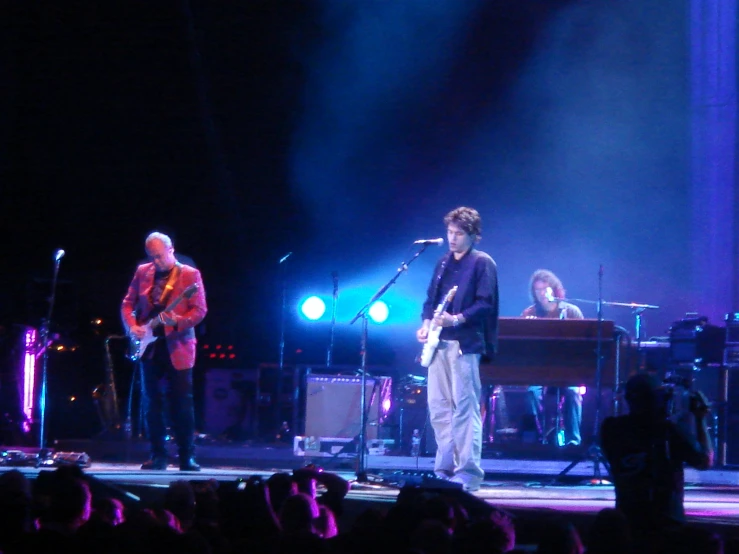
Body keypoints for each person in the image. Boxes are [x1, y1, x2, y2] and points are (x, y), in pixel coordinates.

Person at [416, 207, 499, 492]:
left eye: (459, 233)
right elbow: (430, 300)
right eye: (449, 232)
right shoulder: (442, 264)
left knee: (465, 408)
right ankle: (444, 468)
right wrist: (427, 324)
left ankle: (469, 472)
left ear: (473, 235)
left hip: (465, 344)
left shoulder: (482, 263)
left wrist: (457, 318)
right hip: (439, 342)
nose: (452, 238)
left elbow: (485, 303)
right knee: (438, 407)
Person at [121, 231, 207, 471]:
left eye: (159, 256)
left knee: (182, 402)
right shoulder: (143, 272)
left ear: (171, 250)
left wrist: (176, 321)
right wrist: (133, 327)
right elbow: (127, 303)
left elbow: (199, 311)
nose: (156, 261)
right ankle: (157, 455)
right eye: (151, 256)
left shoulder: (190, 275)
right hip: (150, 347)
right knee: (151, 401)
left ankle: (186, 456)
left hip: (178, 345)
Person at [601, 373, 713, 551]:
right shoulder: (669, 431)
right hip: (667, 522)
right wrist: (700, 419)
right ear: (659, 399)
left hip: (628, 519)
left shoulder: (611, 429)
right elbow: (705, 460)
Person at [521, 269, 584, 446]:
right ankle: (542, 437)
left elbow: (583, 347)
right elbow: (523, 347)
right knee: (532, 392)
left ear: (555, 290)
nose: (542, 294)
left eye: (545, 289)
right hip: (540, 371)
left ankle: (574, 441)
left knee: (572, 392)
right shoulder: (528, 313)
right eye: (538, 290)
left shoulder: (572, 312)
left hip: (567, 371)